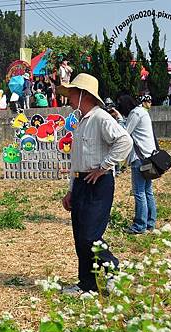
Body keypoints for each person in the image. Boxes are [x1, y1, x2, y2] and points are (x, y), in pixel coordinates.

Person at [57, 73, 132, 294]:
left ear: (84, 95)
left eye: (72, 93)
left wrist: (104, 166)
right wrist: (71, 189)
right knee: (81, 237)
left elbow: (124, 141)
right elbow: (76, 161)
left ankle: (112, 270)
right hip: (81, 183)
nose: (69, 97)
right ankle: (86, 285)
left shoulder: (101, 118)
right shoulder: (81, 122)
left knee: (90, 235)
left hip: (97, 184)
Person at [116, 94, 158, 235]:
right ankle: (150, 223)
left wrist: (119, 119)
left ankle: (140, 225)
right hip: (149, 158)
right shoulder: (142, 112)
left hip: (139, 160)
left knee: (139, 193)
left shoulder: (135, 113)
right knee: (147, 192)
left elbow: (125, 133)